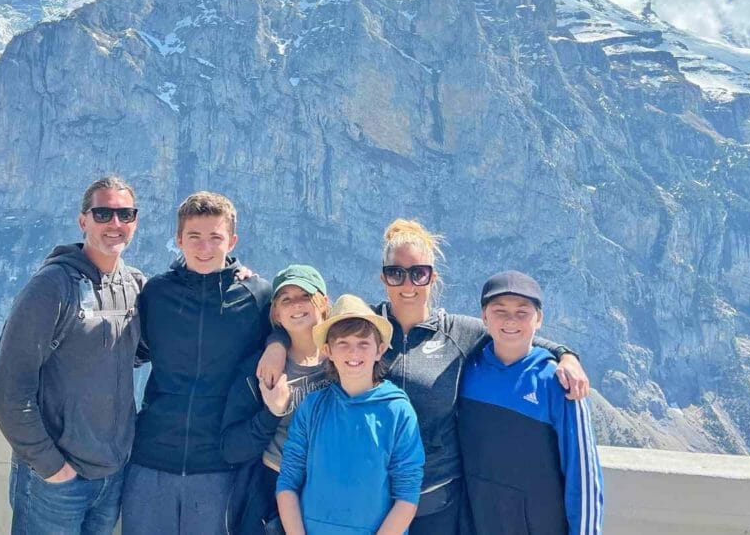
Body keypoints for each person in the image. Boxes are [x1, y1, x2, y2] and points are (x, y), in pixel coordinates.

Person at [259, 219, 590, 534]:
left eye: (418, 273)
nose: (407, 284)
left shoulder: (458, 333)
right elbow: (308, 324)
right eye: (396, 273)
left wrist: (564, 354)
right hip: (365, 504)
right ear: (383, 278)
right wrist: (277, 343)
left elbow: (511, 331)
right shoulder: (362, 327)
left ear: (432, 278)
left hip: (436, 499)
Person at [0, 174, 145, 535]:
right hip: (57, 482)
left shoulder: (136, 286)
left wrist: (234, 273)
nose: (115, 224)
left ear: (135, 222)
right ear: (83, 221)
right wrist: (52, 468)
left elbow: (152, 343)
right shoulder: (52, 286)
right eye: (103, 214)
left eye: (125, 214)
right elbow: (9, 390)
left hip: (112, 477)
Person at [121, 191, 273, 535]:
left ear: (231, 240)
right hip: (151, 460)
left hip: (219, 467)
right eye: (194, 237)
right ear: (179, 240)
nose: (205, 248)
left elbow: (299, 330)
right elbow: (127, 350)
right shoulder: (156, 294)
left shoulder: (257, 296)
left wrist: (277, 344)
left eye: (215, 238)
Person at [458, 271, 603, 534]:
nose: (510, 320)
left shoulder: (558, 382)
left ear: (539, 320)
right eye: (499, 311)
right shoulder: (465, 370)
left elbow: (582, 473)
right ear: (484, 317)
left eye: (522, 312)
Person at [276, 295, 425, 535]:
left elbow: (407, 495)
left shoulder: (397, 411)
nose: (353, 352)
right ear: (328, 351)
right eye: (342, 343)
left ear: (380, 350)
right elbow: (287, 482)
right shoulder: (312, 407)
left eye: (363, 343)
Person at [221, 265, 333, 534]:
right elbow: (231, 448)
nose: (296, 304)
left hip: (332, 489)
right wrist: (271, 413)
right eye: (285, 299)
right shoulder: (258, 371)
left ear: (324, 303)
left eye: (305, 295)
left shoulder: (345, 359)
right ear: (276, 313)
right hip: (272, 491)